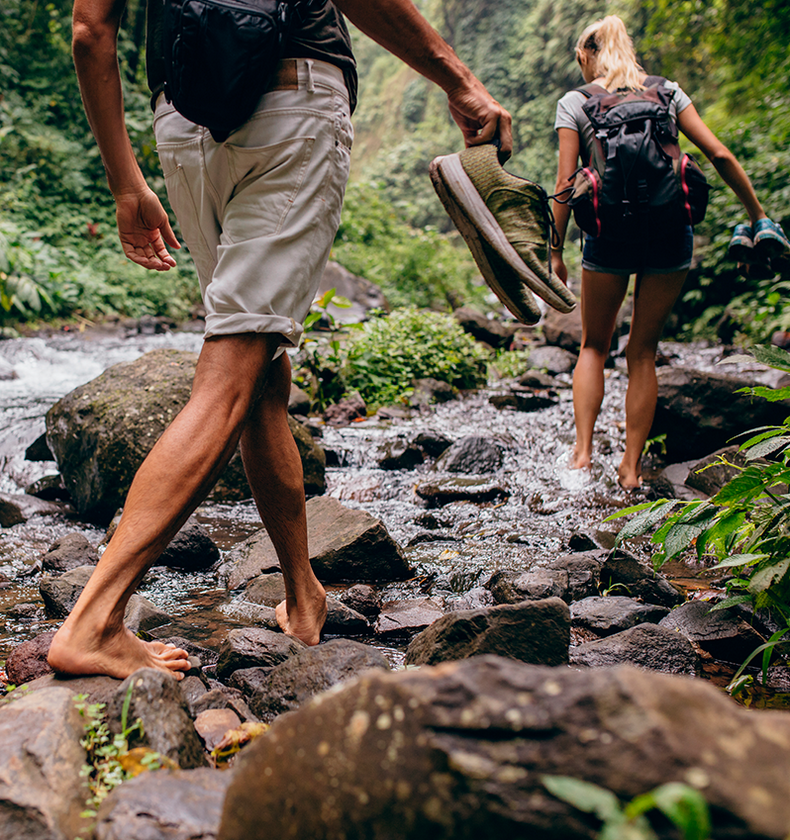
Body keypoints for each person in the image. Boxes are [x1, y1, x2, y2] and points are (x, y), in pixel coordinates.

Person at [47, 0, 512, 681]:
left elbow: (92, 29)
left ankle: (302, 594)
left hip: (183, 119)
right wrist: (458, 81)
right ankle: (95, 619)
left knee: (261, 372)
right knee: (233, 370)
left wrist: (125, 180)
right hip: (291, 99)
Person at [551, 14, 779, 492]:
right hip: (670, 234)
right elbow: (719, 155)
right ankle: (631, 470)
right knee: (643, 352)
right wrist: (758, 217)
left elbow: (565, 186)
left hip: (608, 236)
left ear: (588, 56)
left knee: (594, 345)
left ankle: (581, 458)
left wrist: (555, 253)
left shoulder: (576, 102)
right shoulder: (668, 93)